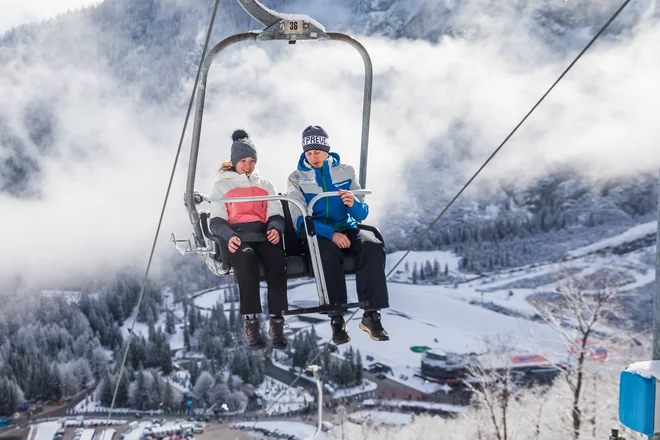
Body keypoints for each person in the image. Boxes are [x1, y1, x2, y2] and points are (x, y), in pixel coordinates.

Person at [287, 125, 390, 345]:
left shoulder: (345, 171)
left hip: (347, 227)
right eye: (309, 153)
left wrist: (353, 204)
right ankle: (337, 318)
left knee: (371, 244)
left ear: (327, 150)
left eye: (317, 151)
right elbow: (299, 218)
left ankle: (371, 315)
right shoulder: (297, 178)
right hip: (317, 231)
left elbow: (363, 212)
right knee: (326, 253)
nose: (313, 157)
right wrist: (330, 234)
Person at [209, 129, 288, 350]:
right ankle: (252, 323)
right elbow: (216, 221)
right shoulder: (222, 186)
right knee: (246, 262)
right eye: (243, 160)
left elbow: (275, 213)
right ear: (234, 161)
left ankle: (277, 322)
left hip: (263, 234)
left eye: (252, 160)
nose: (248, 165)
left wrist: (275, 227)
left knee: (277, 262)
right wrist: (229, 236)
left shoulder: (265, 184)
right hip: (238, 237)